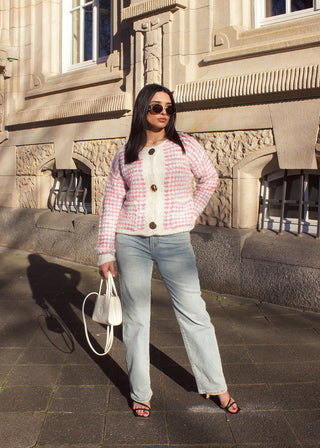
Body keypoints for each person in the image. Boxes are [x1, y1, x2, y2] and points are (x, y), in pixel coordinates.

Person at [96, 83, 240, 418]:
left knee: (195, 313)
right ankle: (140, 391)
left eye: (169, 108)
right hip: (130, 241)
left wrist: (189, 213)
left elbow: (209, 178)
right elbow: (112, 203)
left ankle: (216, 385)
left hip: (175, 242)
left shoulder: (184, 144)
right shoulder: (124, 154)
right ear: (142, 109)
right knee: (135, 319)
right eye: (156, 107)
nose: (163, 113)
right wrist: (105, 251)